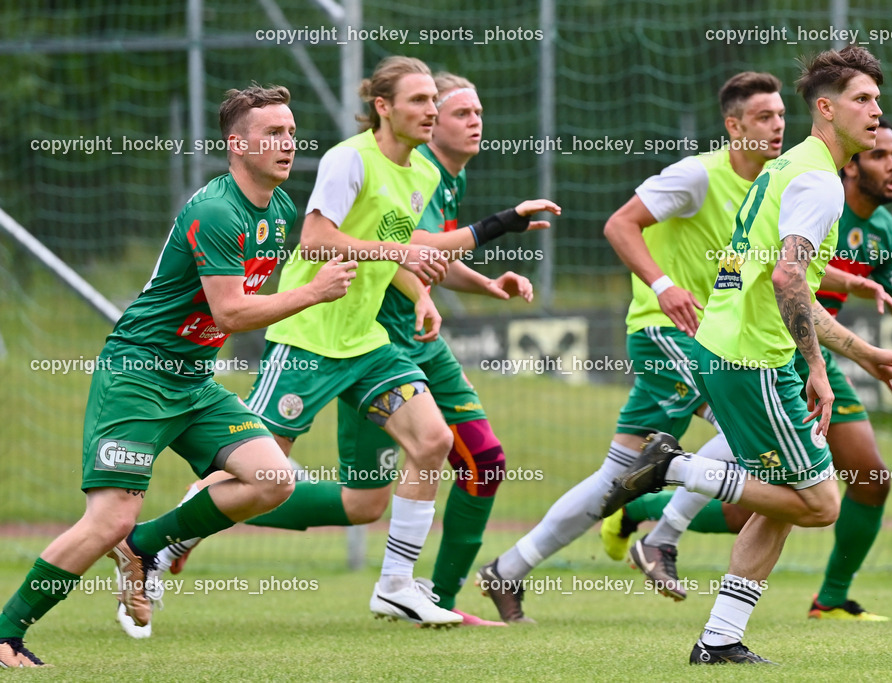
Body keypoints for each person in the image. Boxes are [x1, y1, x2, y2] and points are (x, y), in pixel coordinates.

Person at [141, 71, 559, 630]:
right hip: (309, 337)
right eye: (420, 100)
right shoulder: (349, 159)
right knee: (262, 470)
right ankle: (158, 542)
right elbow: (316, 239)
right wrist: (401, 255)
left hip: (366, 341)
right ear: (383, 106)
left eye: (435, 100)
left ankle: (396, 587)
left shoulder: (421, 172)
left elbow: (417, 245)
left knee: (433, 441)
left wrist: (500, 226)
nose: (431, 110)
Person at [475, 70, 892, 623]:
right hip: (670, 333)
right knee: (773, 465)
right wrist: (663, 285)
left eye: (779, 116)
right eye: (763, 117)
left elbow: (769, 270)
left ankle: (510, 568)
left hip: (715, 334)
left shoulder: (774, 178)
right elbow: (621, 225)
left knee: (620, 474)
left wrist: (846, 296)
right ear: (733, 125)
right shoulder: (699, 175)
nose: (775, 126)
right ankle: (665, 527)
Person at [0, 84, 358, 668]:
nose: (288, 143)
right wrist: (312, 294)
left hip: (191, 380)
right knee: (110, 514)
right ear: (236, 145)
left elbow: (229, 312)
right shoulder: (217, 211)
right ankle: (6, 632)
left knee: (273, 479)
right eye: (273, 133)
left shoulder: (279, 211)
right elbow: (231, 313)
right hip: (139, 373)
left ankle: (143, 545)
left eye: (292, 132)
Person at [601, 46, 892, 665]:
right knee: (823, 503)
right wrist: (831, 362)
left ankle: (719, 640)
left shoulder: (789, 165)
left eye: (877, 98)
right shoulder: (819, 181)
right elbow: (788, 280)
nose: (875, 110)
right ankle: (676, 469)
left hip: (729, 350)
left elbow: (774, 274)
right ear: (825, 108)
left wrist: (843, 357)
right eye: (861, 99)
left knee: (781, 502)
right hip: (753, 361)